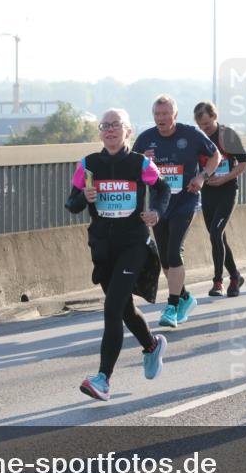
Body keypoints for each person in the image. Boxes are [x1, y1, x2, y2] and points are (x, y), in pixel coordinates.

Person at [66, 109, 172, 401]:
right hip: (102, 248)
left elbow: (162, 190)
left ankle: (103, 379)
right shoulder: (88, 165)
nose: (110, 130)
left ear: (128, 132)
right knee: (124, 309)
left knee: (112, 309)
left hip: (133, 245)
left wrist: (156, 212)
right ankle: (151, 346)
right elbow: (71, 204)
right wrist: (82, 197)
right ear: (100, 132)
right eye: (105, 126)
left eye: (116, 126)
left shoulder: (140, 163)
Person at [134, 95, 221, 328]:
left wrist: (202, 176)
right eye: (157, 115)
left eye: (165, 114)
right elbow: (133, 169)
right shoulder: (145, 139)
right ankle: (184, 297)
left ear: (175, 115)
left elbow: (215, 156)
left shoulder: (190, 134)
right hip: (159, 204)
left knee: (174, 252)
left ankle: (172, 306)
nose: (161, 119)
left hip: (186, 200)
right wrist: (142, 160)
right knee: (164, 258)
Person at [193, 101, 246, 297]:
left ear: (215, 117)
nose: (204, 130)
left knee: (216, 234)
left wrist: (224, 178)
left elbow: (244, 163)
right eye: (200, 126)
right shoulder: (197, 137)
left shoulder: (227, 135)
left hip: (227, 191)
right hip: (208, 193)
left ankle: (218, 282)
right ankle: (235, 275)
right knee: (218, 237)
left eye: (207, 125)